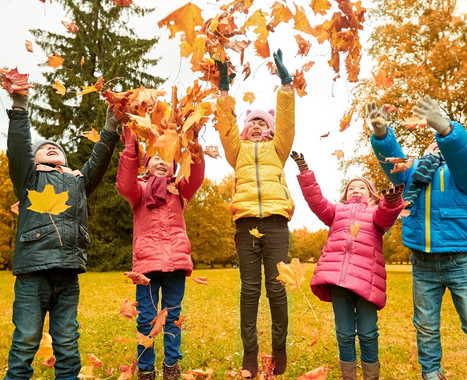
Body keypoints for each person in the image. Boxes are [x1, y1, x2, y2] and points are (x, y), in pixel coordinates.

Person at [368, 96, 467, 380]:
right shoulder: (412, 175)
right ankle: (431, 374)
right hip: (423, 263)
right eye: (431, 142)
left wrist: (446, 130)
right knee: (426, 327)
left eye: (439, 142)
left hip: (459, 263)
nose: (434, 145)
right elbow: (392, 159)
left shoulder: (462, 176)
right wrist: (381, 135)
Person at [4, 90, 120, 380]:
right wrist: (20, 108)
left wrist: (110, 128)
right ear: (35, 158)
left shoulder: (77, 182)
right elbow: (18, 148)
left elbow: (99, 161)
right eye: (44, 147)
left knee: (67, 341)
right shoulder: (29, 178)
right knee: (26, 339)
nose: (52, 147)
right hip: (33, 273)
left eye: (57, 146)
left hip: (68, 273)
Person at [215, 49, 295, 378]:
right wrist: (224, 91)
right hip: (246, 223)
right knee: (250, 289)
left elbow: (287, 123)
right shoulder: (238, 151)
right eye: (253, 123)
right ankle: (250, 352)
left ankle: (278, 348)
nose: (258, 126)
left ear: (271, 128)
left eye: (264, 122)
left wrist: (286, 84)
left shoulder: (279, 148)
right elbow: (226, 129)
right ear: (246, 130)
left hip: (275, 223)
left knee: (276, 288)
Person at [291, 152, 404, 380]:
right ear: (344, 195)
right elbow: (316, 201)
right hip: (338, 281)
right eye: (351, 187)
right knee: (344, 334)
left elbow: (386, 216)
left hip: (366, 282)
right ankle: (348, 377)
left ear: (371, 194)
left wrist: (391, 202)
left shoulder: (374, 212)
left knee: (368, 333)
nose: (355, 190)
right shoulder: (335, 212)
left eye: (361, 187)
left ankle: (371, 376)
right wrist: (305, 171)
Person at [115, 126, 205, 380]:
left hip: (176, 263)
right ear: (147, 164)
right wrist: (131, 150)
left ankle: (171, 365)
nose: (163, 162)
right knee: (146, 318)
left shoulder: (179, 190)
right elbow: (124, 184)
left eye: (168, 159)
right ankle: (145, 368)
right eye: (157, 157)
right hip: (146, 266)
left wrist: (194, 145)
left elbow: (196, 177)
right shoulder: (139, 191)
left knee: (173, 317)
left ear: (175, 165)